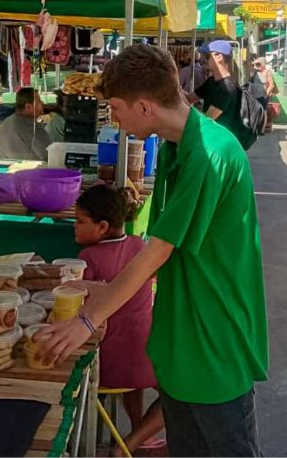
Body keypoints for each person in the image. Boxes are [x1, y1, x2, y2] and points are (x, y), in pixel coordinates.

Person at [36, 45, 268, 457]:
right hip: (179, 339)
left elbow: (156, 251)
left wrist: (87, 322)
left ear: (144, 107)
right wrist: (96, 290)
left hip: (215, 340)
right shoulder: (175, 145)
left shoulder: (211, 154)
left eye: (116, 109)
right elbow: (156, 249)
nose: (115, 120)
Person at [74, 185, 165, 456]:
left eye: (79, 221)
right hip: (142, 358)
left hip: (104, 369)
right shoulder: (140, 246)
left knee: (135, 371)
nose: (74, 227)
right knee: (181, 395)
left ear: (102, 226)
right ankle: (136, 437)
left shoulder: (87, 258)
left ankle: (129, 442)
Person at [194, 40, 255, 150]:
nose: (203, 59)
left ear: (219, 57)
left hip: (221, 148)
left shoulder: (226, 88)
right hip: (213, 142)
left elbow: (207, 119)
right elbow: (188, 99)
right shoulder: (212, 81)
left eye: (207, 55)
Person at [0, 87, 52, 161]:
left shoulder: (8, 121)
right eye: (39, 101)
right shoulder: (29, 127)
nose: (42, 103)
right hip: (30, 170)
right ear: (28, 106)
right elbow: (49, 154)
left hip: (8, 168)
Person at [249, 57, 278, 134]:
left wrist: (266, 94)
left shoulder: (267, 72)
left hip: (263, 95)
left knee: (263, 112)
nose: (256, 66)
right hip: (255, 95)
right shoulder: (255, 72)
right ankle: (256, 128)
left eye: (258, 64)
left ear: (263, 64)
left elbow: (271, 85)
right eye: (256, 64)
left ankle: (262, 130)